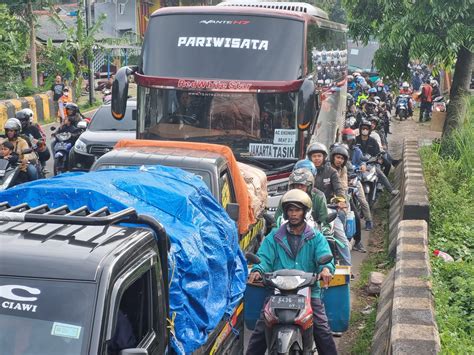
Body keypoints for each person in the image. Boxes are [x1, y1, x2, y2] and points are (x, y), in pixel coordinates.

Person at [246, 189, 337, 355]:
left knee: (322, 330)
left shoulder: (315, 237)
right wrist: (258, 270)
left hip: (308, 291)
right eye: (290, 210)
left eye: (297, 210)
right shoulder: (275, 236)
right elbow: (264, 257)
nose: (293, 214)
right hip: (277, 292)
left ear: (304, 212)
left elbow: (325, 256)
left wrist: (325, 269)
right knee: (260, 331)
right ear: (286, 213)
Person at [307, 142, 351, 266]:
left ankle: (346, 266)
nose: (317, 158)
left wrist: (341, 201)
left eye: (319, 156)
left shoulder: (331, 172)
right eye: (314, 156)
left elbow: (339, 189)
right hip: (307, 210)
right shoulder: (305, 171)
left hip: (328, 210)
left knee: (340, 237)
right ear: (310, 157)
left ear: (324, 157)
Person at [356, 120, 399, 196]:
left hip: (370, 164)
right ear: (360, 129)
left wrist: (377, 158)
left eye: (366, 129)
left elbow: (377, 153)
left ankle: (391, 190)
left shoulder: (373, 141)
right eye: (363, 128)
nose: (365, 130)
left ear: (369, 130)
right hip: (357, 164)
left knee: (381, 174)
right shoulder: (355, 140)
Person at [341, 128, 373, 232]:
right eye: (347, 138)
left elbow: (362, 160)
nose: (349, 141)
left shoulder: (357, 150)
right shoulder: (338, 149)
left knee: (362, 200)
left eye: (350, 138)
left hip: (354, 178)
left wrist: (363, 165)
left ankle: (369, 221)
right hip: (341, 179)